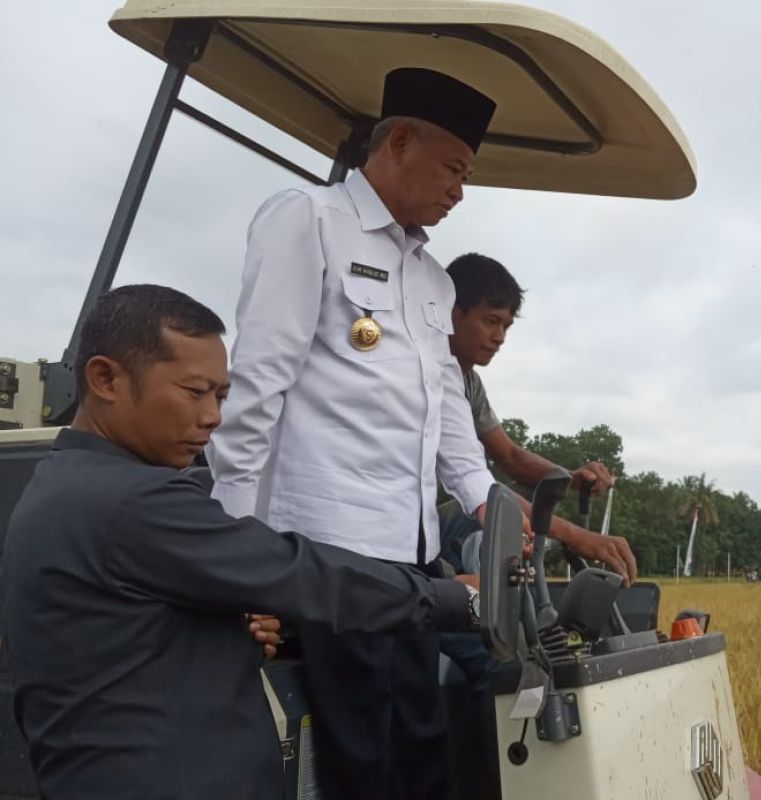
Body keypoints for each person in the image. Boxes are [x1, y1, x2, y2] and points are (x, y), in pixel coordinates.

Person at [0, 285, 479, 800]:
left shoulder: (67, 484)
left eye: (221, 396)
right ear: (105, 378)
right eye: (193, 391)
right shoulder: (130, 500)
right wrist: (457, 599)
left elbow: (126, 642)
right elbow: (296, 571)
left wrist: (225, 629)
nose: (212, 417)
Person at [206, 68, 500, 799]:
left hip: (410, 555)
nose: (460, 190)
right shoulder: (307, 220)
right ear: (399, 141)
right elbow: (257, 388)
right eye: (453, 168)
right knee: (359, 756)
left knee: (423, 741)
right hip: (327, 548)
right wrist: (235, 554)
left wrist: (484, 495)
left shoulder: (432, 278)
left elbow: (444, 402)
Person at [437, 252, 636, 584]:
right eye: (490, 321)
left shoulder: (468, 381)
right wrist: (577, 537)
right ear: (453, 313)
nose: (500, 337)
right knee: (479, 516)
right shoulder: (431, 370)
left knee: (515, 508)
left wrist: (571, 478)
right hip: (406, 521)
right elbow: (480, 486)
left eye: (506, 326)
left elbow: (511, 457)